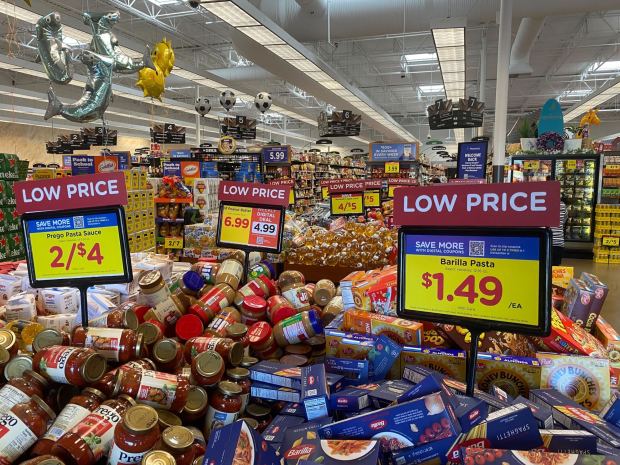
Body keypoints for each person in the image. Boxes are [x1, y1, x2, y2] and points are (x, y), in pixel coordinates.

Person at [551, 195, 568, 266]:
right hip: (558, 242)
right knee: (555, 267)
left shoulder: (541, 203)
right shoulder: (562, 205)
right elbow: (564, 220)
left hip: (544, 241)